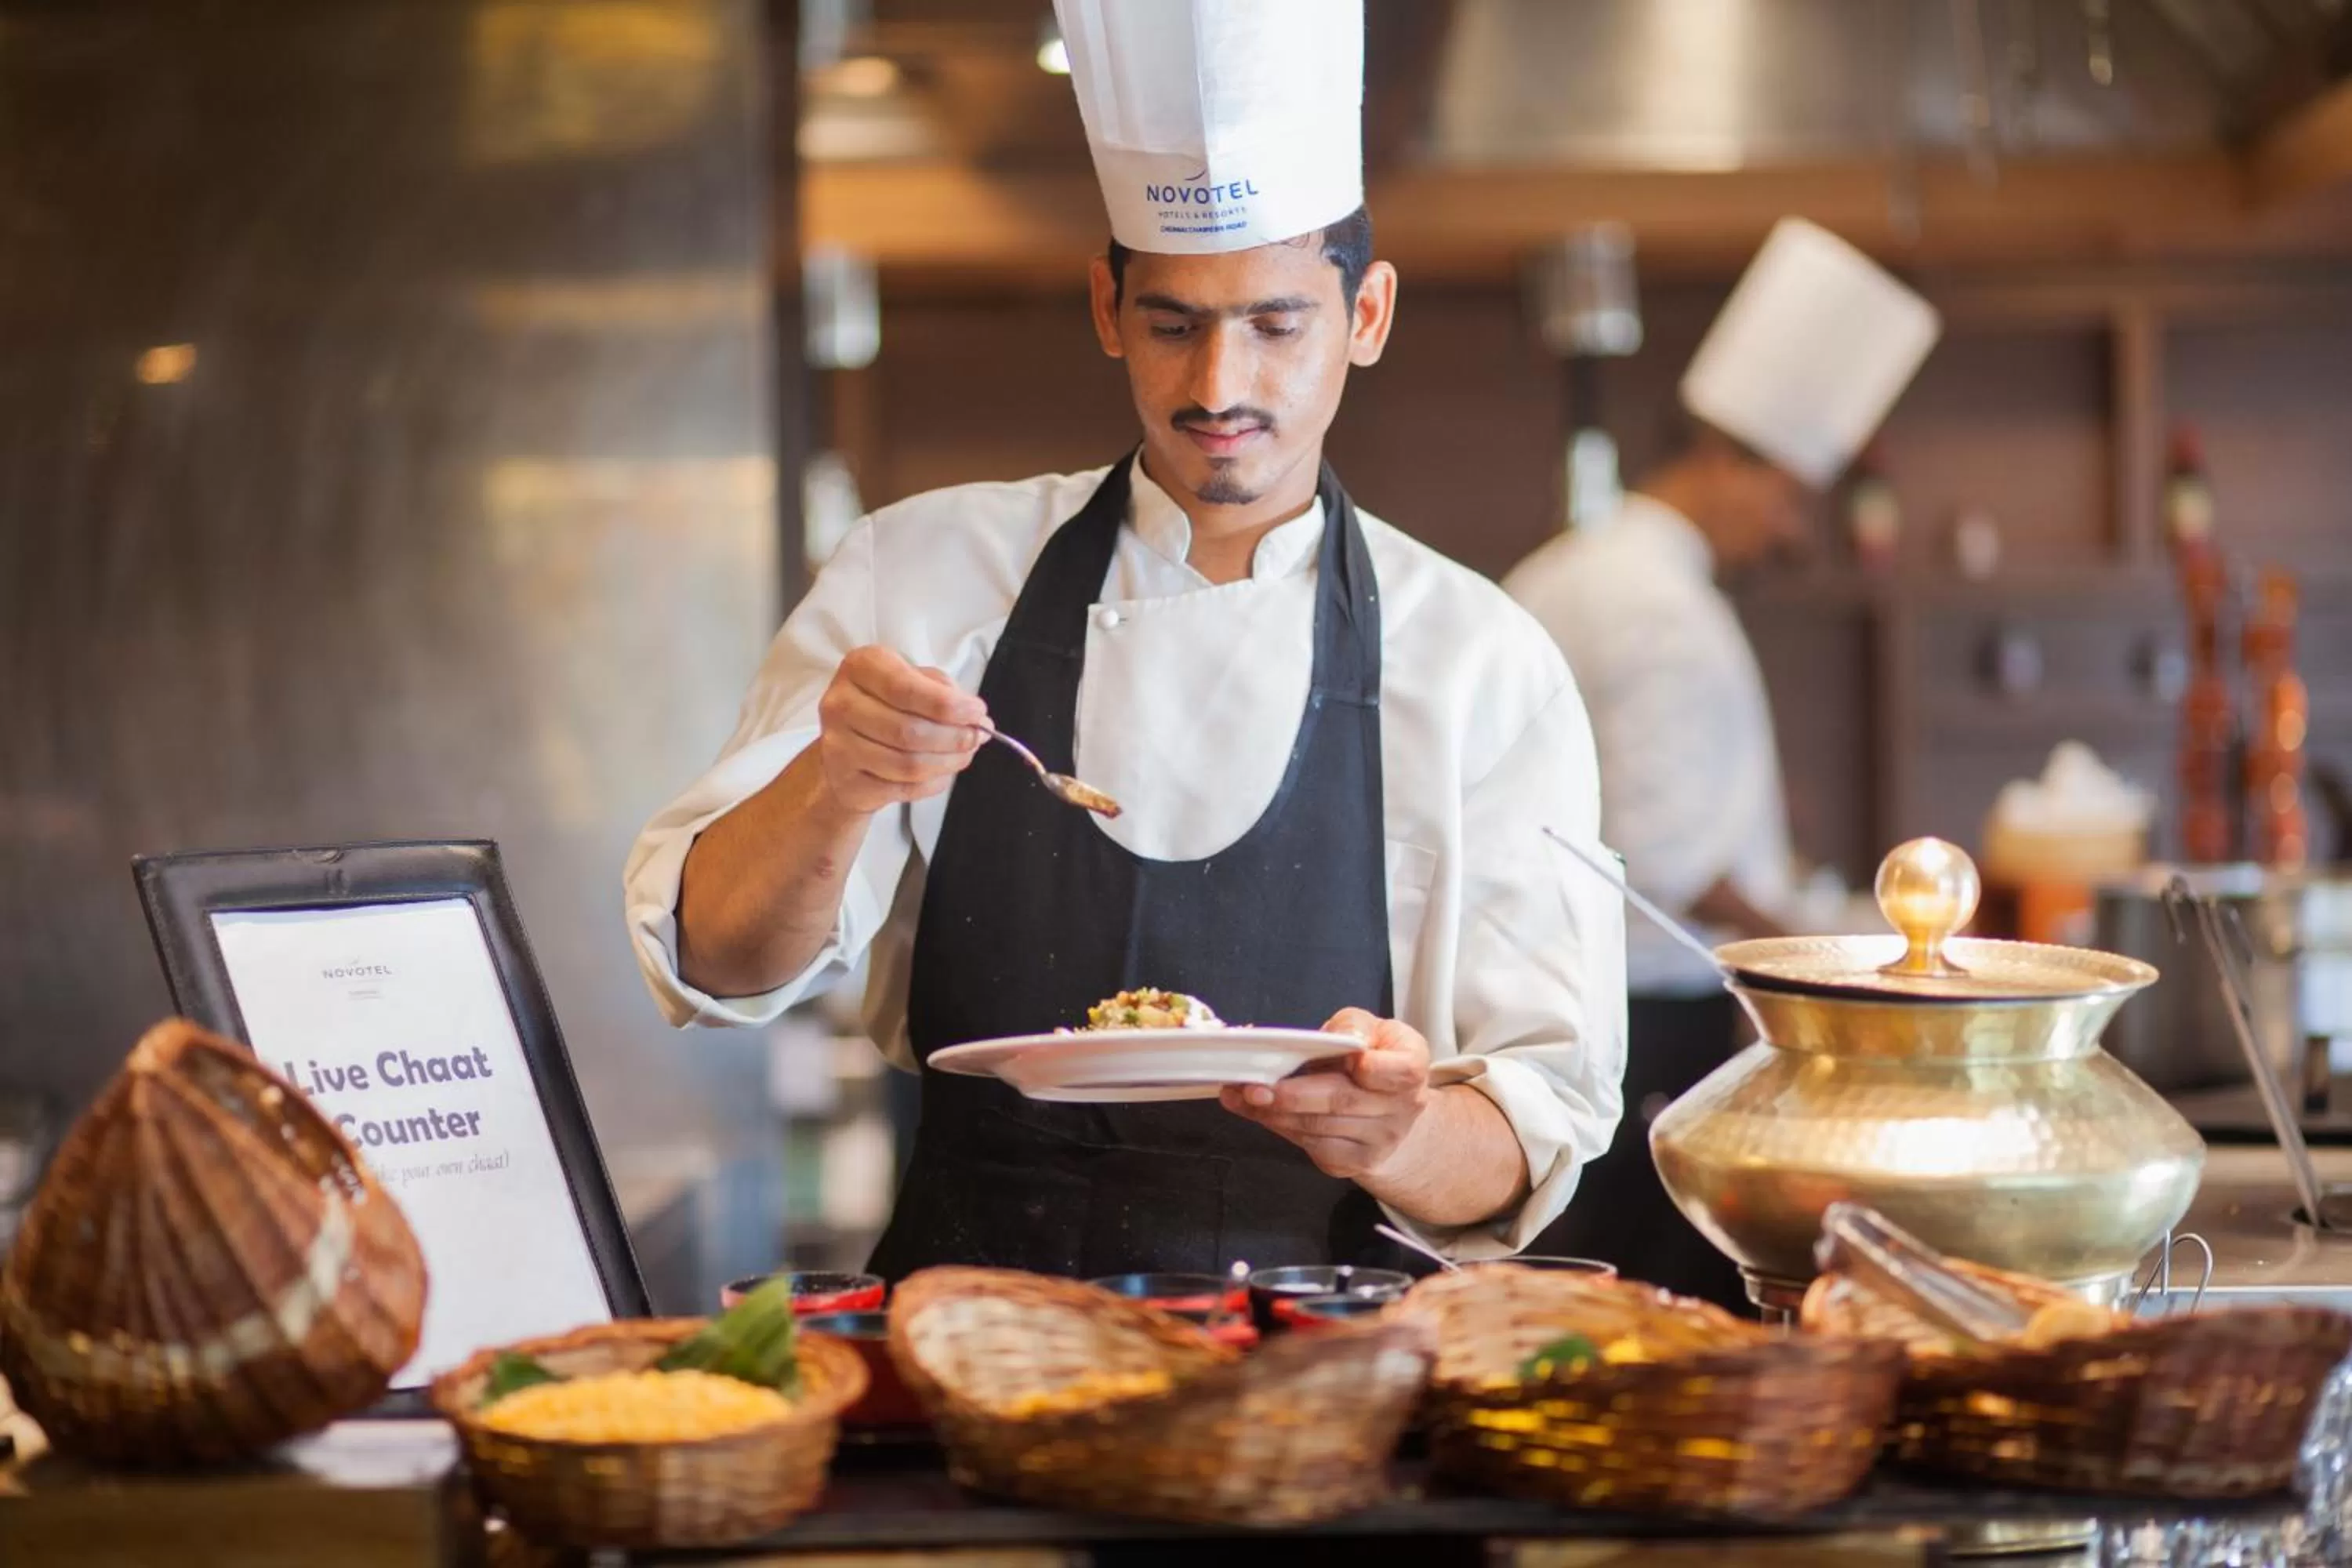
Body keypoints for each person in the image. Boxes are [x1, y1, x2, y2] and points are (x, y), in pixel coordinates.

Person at [624, 0, 1625, 1281]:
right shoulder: (921, 572)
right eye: (1173, 323)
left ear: (1365, 315)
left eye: (1276, 324)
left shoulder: (1485, 663)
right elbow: (716, 961)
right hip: (961, 1338)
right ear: (1106, 305)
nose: (1219, 385)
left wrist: (1397, 1130)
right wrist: (836, 787)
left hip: (1321, 1368)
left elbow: (1530, 1133)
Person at [1504, 218, 1940, 1309]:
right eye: (1787, 493)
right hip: (1661, 1025)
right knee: (1670, 1326)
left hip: (1575, 1004)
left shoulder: (1581, 568)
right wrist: (1816, 961)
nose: (1787, 530)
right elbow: (1662, 852)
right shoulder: (1661, 604)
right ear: (1723, 456)